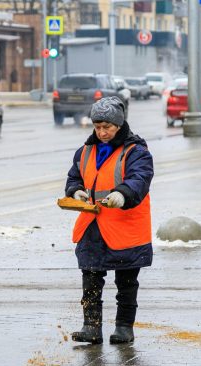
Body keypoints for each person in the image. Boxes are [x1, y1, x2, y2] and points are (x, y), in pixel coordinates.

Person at [64, 96, 153, 345]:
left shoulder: (136, 152)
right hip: (92, 225)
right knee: (90, 276)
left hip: (125, 226)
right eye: (97, 127)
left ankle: (124, 328)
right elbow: (74, 177)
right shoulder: (84, 152)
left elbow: (140, 179)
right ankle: (91, 327)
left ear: (119, 125)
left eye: (108, 127)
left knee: (126, 282)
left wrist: (122, 193)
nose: (102, 132)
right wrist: (75, 191)